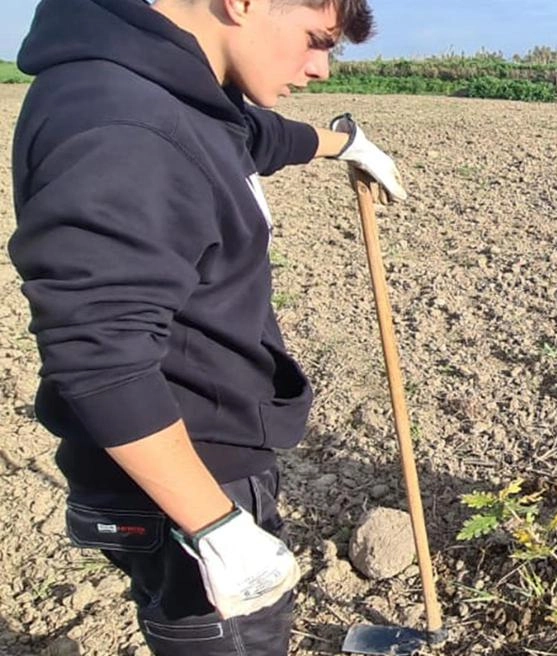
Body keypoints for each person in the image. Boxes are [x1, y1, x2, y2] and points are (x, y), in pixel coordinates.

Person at [8, 0, 407, 653]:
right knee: (231, 639)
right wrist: (214, 523)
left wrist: (346, 145)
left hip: (202, 452)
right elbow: (99, 355)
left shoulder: (176, 91)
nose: (322, 68)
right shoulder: (122, 124)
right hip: (184, 471)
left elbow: (251, 138)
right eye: (315, 39)